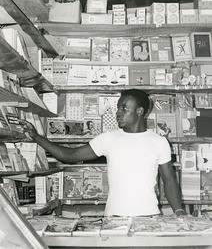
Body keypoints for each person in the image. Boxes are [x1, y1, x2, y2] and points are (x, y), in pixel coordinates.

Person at [22, 89, 185, 217]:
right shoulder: (108, 139)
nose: (117, 113)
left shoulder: (159, 141)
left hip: (149, 215)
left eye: (124, 108)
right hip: (114, 217)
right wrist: (36, 137)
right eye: (117, 108)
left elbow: (169, 182)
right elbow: (69, 156)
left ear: (140, 111)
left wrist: (179, 212)